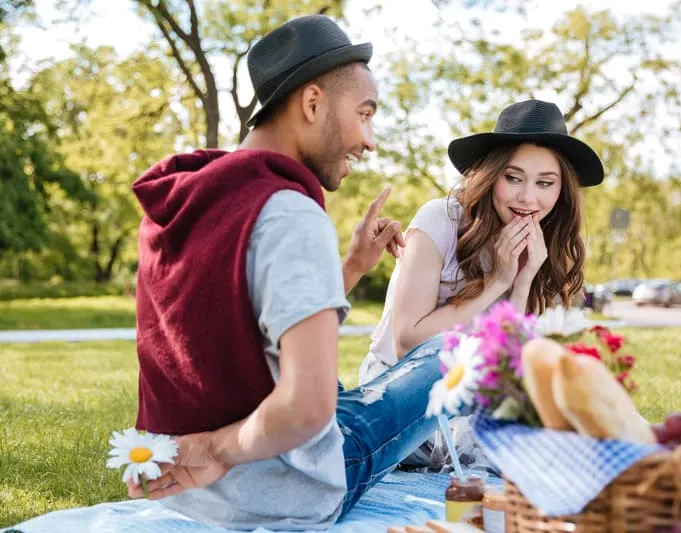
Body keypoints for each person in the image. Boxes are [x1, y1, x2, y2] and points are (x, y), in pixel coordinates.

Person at [126, 15, 445, 531]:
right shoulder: (291, 212)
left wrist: (353, 266)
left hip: (186, 492)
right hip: (288, 490)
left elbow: (248, 338)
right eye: (365, 115)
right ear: (313, 103)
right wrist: (212, 450)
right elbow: (305, 410)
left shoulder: (187, 202)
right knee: (449, 352)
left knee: (340, 383)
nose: (370, 141)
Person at [359, 99, 605, 465]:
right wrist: (496, 281)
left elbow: (508, 364)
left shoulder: (546, 244)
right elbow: (407, 341)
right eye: (513, 178)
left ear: (561, 190)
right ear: (491, 175)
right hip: (403, 396)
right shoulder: (440, 219)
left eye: (545, 183)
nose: (528, 197)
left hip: (479, 399)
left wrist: (521, 284)